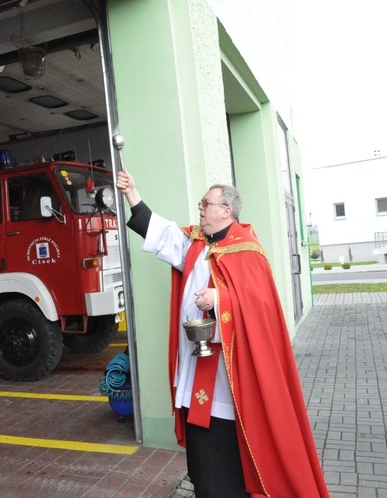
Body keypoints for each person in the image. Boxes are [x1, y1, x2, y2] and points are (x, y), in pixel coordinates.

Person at [116, 169, 328, 498]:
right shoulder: (196, 245)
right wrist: (132, 194)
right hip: (196, 362)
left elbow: (260, 308)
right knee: (203, 459)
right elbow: (162, 233)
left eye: (206, 203)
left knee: (227, 447)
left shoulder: (247, 251)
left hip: (228, 376)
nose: (200, 208)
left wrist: (220, 299)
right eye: (201, 203)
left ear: (226, 210)